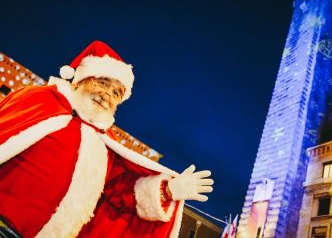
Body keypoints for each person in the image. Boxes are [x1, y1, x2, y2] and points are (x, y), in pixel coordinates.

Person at [0, 41, 214, 238]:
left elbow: (121, 194)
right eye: (102, 82)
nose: (107, 95)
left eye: (117, 93)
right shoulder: (41, 100)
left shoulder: (106, 146)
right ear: (80, 79)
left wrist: (167, 190)